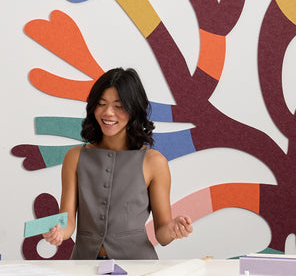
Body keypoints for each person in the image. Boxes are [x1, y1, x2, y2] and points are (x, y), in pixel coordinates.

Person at [42, 67, 193, 259]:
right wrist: (58, 233)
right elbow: (68, 221)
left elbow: (162, 234)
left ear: (134, 109)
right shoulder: (75, 157)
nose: (108, 113)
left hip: (137, 269)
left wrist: (172, 228)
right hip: (84, 266)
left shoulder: (154, 162)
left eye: (119, 106)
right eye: (101, 103)